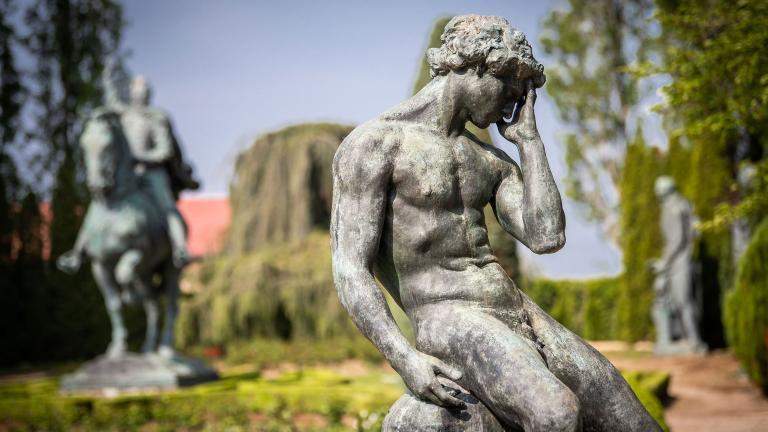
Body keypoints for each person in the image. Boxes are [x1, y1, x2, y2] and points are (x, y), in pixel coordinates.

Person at [330, 15, 660, 431]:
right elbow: (349, 267)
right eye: (512, 87)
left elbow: (547, 236)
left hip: (518, 310)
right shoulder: (375, 145)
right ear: (478, 67)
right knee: (557, 413)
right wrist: (403, 357)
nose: (516, 103)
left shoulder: (489, 160)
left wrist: (530, 144)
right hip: (448, 316)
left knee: (631, 420)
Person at [104, 61, 199, 268]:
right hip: (129, 175)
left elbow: (164, 150)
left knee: (168, 208)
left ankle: (180, 247)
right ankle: (81, 250)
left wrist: (142, 157)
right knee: (103, 203)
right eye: (137, 91)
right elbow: (111, 101)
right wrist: (109, 75)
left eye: (144, 91)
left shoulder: (157, 118)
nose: (140, 95)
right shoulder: (125, 116)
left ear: (149, 94)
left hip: (152, 173)